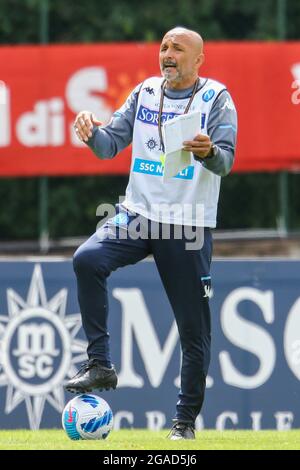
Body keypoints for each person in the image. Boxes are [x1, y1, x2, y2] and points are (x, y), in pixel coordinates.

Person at [65, 27, 238, 440]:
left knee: (193, 330)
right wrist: (92, 134)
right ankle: (100, 364)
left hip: (188, 224)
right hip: (138, 215)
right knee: (86, 259)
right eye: (163, 47)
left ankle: (184, 422)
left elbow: (226, 161)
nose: (167, 53)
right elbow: (110, 146)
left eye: (178, 48)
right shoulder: (144, 93)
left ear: (198, 59)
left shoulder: (217, 98)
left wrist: (209, 152)